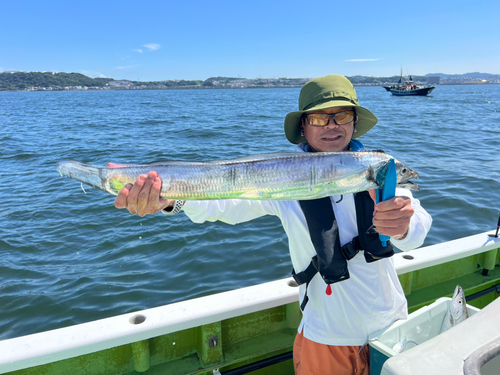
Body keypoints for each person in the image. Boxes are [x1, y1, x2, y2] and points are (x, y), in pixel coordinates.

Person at [111, 74, 432, 375]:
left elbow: (416, 228)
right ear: (304, 128)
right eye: (319, 118)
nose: (332, 126)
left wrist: (403, 223)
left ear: (354, 123)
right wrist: (170, 198)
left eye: (342, 116)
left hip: (391, 323)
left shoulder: (377, 169)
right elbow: (223, 202)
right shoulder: (283, 177)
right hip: (325, 335)